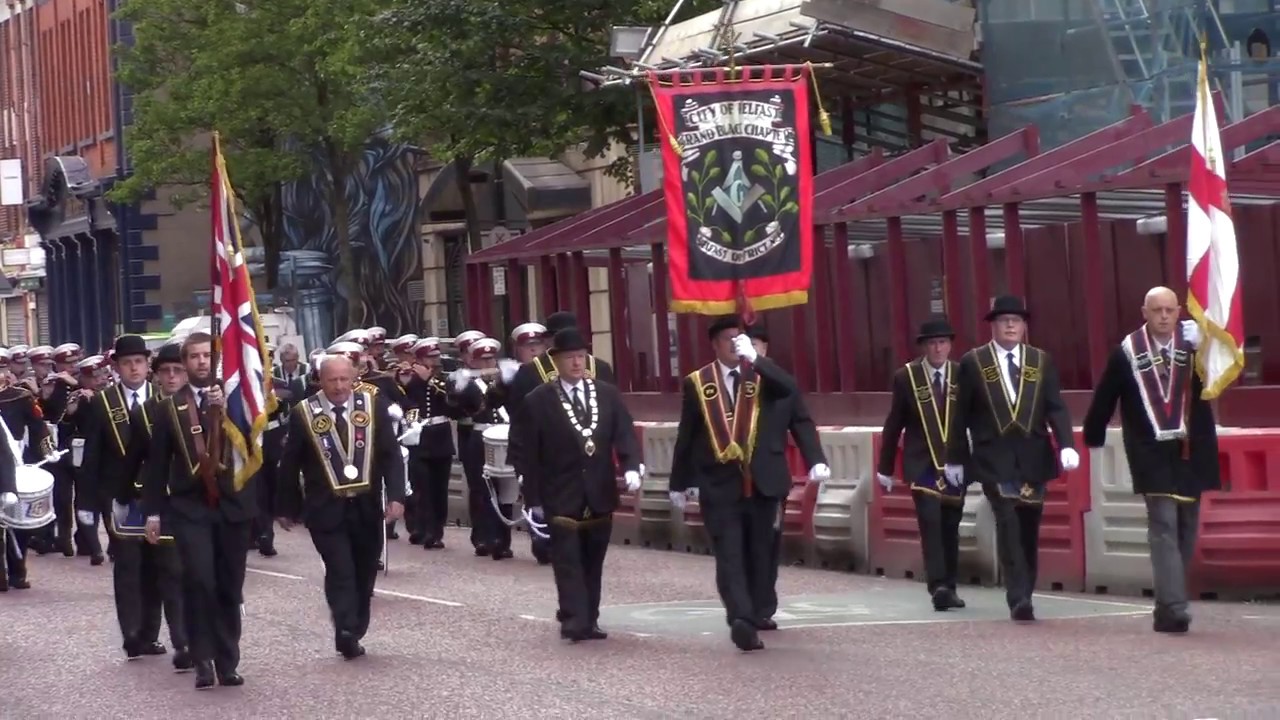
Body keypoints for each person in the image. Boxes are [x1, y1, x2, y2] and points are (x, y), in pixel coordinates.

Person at [669, 316, 824, 651]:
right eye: (727, 338)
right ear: (714, 344)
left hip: (765, 481)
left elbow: (792, 393)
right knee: (729, 553)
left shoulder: (762, 376)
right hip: (719, 483)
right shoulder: (699, 383)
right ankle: (740, 618)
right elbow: (688, 434)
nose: (733, 344)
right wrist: (679, 481)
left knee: (762, 551)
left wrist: (757, 360)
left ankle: (758, 608)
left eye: (739, 338)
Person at [1083, 286, 1215, 633]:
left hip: (1190, 451)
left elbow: (1220, 380)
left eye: (1170, 310)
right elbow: (1105, 396)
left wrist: (1208, 350)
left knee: (1186, 527)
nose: (1164, 317)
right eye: (1157, 310)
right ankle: (1175, 605)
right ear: (1144, 312)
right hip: (1150, 451)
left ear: (1178, 312)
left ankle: (1166, 606)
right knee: (1164, 527)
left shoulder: (1194, 347)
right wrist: (1092, 436)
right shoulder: (1127, 353)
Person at [944, 296, 1077, 623]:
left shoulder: (1040, 361)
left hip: (1034, 457)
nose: (1010, 325)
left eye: (1016, 320)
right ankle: (1017, 596)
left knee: (1029, 527)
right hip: (994, 459)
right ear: (993, 325)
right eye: (1004, 320)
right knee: (1008, 522)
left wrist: (1067, 444)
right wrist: (955, 459)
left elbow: (1055, 406)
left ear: (1024, 325)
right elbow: (959, 416)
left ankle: (1026, 592)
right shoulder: (974, 363)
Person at [276, 353, 406, 659]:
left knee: (364, 572)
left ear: (354, 378)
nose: (338, 386)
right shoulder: (304, 413)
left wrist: (397, 497)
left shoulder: (372, 407)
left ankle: (355, 626)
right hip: (325, 509)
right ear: (320, 380)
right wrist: (285, 507)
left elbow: (390, 455)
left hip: (366, 506)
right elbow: (289, 463)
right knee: (340, 570)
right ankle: (345, 626)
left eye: (344, 379)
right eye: (332, 380)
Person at [143, 331, 255, 690]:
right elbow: (157, 464)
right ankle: (202, 657)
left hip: (231, 507)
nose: (201, 362)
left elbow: (258, 447)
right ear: (186, 362)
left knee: (228, 586)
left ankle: (228, 661)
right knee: (200, 580)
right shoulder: (168, 408)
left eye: (207, 356)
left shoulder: (237, 402)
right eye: (194, 357)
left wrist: (225, 411)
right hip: (190, 507)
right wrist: (153, 513)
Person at [518, 328, 641, 641]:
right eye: (569, 357)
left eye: (580, 356)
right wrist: (532, 497)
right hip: (560, 493)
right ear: (556, 360)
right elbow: (527, 451)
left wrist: (631, 465)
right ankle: (574, 618)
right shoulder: (538, 400)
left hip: (599, 491)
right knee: (567, 560)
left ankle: (592, 618)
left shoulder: (606, 393)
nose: (576, 362)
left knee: (592, 561)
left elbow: (623, 431)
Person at [79, 335, 189, 665]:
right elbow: (92, 455)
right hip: (121, 497)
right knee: (128, 568)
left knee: (162, 569)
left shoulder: (164, 398)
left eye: (139, 361)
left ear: (147, 365)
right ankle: (131, 634)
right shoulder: (102, 402)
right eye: (127, 362)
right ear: (117, 367)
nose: (134, 368)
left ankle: (152, 634)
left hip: (161, 497)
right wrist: (86, 502)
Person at [507, 312, 615, 565]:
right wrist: (522, 463)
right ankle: (547, 542)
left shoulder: (600, 368)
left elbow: (614, 412)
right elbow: (520, 421)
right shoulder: (530, 373)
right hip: (549, 456)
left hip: (590, 454)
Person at [878, 317, 970, 611]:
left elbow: (976, 419)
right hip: (922, 465)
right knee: (930, 524)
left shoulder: (963, 374)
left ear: (950, 345)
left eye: (943, 342)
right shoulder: (906, 377)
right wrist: (886, 467)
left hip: (955, 464)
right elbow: (894, 424)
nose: (938, 348)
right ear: (924, 347)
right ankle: (938, 586)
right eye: (933, 343)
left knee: (950, 526)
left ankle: (951, 586)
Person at [743, 324, 828, 628]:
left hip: (769, 477)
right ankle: (743, 605)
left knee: (767, 543)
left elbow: (801, 422)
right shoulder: (725, 381)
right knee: (737, 546)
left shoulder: (777, 381)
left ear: (765, 348)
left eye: (755, 345)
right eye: (742, 344)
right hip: (732, 477)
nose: (747, 349)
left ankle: (763, 607)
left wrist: (815, 459)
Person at [448, 337, 520, 559]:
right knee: (482, 490)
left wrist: (510, 380)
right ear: (474, 361)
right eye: (482, 359)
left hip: (504, 436)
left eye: (490, 359)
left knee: (507, 489)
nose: (487, 363)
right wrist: (458, 389)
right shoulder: (468, 383)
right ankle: (485, 537)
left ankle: (503, 540)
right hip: (480, 437)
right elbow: (458, 406)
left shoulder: (504, 381)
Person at [0, 348, 56, 591]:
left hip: (16, 463)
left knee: (18, 521)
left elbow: (38, 427)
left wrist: (47, 450)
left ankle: (18, 570)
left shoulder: (20, 397)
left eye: (2, 368)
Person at [400, 337, 461, 550]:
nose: (434, 362)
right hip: (419, 439)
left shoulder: (444, 380)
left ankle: (437, 532)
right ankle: (423, 529)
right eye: (429, 358)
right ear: (419, 359)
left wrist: (431, 381)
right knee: (422, 489)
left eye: (436, 357)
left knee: (439, 490)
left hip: (441, 439)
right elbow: (403, 406)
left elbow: (453, 404)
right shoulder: (408, 380)